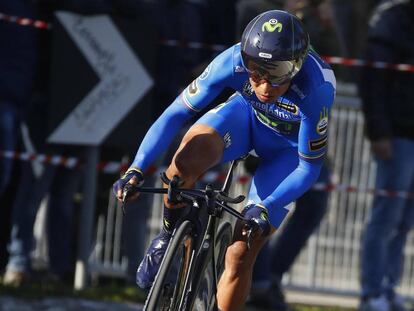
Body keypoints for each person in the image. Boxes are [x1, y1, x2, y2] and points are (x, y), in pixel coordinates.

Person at [113, 10, 336, 310]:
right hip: (245, 119)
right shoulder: (231, 61)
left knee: (242, 250)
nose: (264, 85)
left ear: (296, 67)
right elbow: (175, 112)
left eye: (276, 72)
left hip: (286, 152)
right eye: (255, 70)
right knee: (182, 165)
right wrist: (138, 167)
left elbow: (308, 167)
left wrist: (264, 208)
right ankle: (167, 237)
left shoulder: (316, 88)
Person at [358, 1, 414, 311]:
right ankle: (371, 292)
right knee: (386, 219)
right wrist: (379, 132)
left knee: (404, 222)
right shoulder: (392, 20)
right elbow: (373, 81)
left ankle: (389, 288)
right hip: (397, 137)